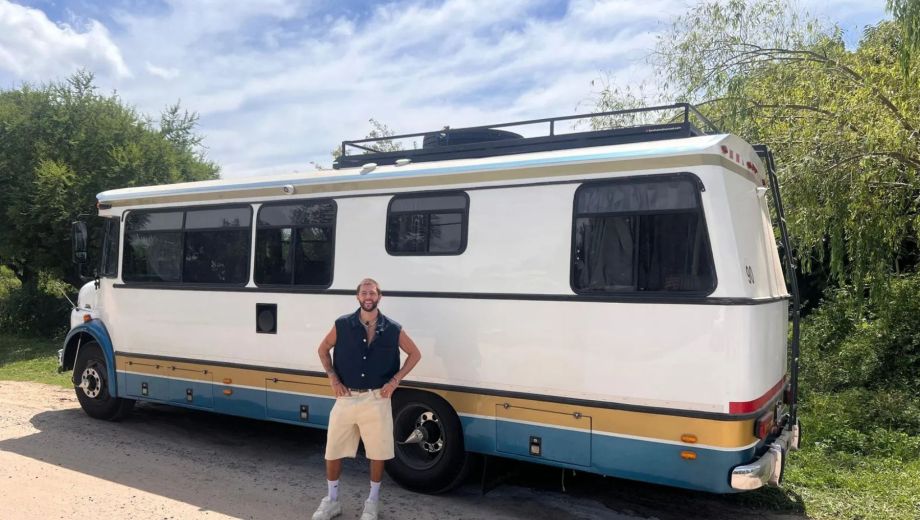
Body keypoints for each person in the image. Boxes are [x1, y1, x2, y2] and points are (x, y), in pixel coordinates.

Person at [312, 278, 422, 520]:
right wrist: (333, 378)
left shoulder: (393, 328)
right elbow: (322, 349)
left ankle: (372, 503)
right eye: (364, 293)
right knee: (333, 450)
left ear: (379, 296)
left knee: (377, 452)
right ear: (358, 297)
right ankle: (332, 500)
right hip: (346, 397)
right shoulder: (342, 324)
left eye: (372, 293)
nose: (368, 297)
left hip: (377, 399)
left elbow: (415, 354)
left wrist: (395, 381)